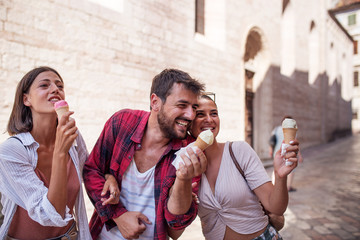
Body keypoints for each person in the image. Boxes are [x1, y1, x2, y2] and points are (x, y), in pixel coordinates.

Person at [83, 68, 207, 240]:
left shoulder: (190, 150)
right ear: (155, 102)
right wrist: (118, 215)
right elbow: (91, 170)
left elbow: (176, 225)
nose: (191, 115)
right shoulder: (122, 122)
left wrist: (183, 180)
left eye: (194, 108)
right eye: (182, 105)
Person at [0, 66, 118, 239]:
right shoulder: (11, 151)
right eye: (44, 85)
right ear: (26, 99)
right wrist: (60, 153)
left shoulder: (73, 138)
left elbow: (90, 171)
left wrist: (109, 178)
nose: (55, 89)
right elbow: (49, 215)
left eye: (60, 86)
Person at [189, 95, 300, 240]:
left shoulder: (239, 150)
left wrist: (280, 176)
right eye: (200, 114)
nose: (209, 119)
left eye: (214, 113)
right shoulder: (184, 164)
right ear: (189, 122)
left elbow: (276, 207)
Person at [269, 116, 303, 192]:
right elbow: (295, 144)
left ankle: (274, 185)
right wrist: (299, 155)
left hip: (277, 152)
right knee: (291, 169)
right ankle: (288, 186)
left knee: (276, 169)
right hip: (289, 152)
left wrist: (270, 150)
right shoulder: (294, 131)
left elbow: (271, 140)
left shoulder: (276, 129)